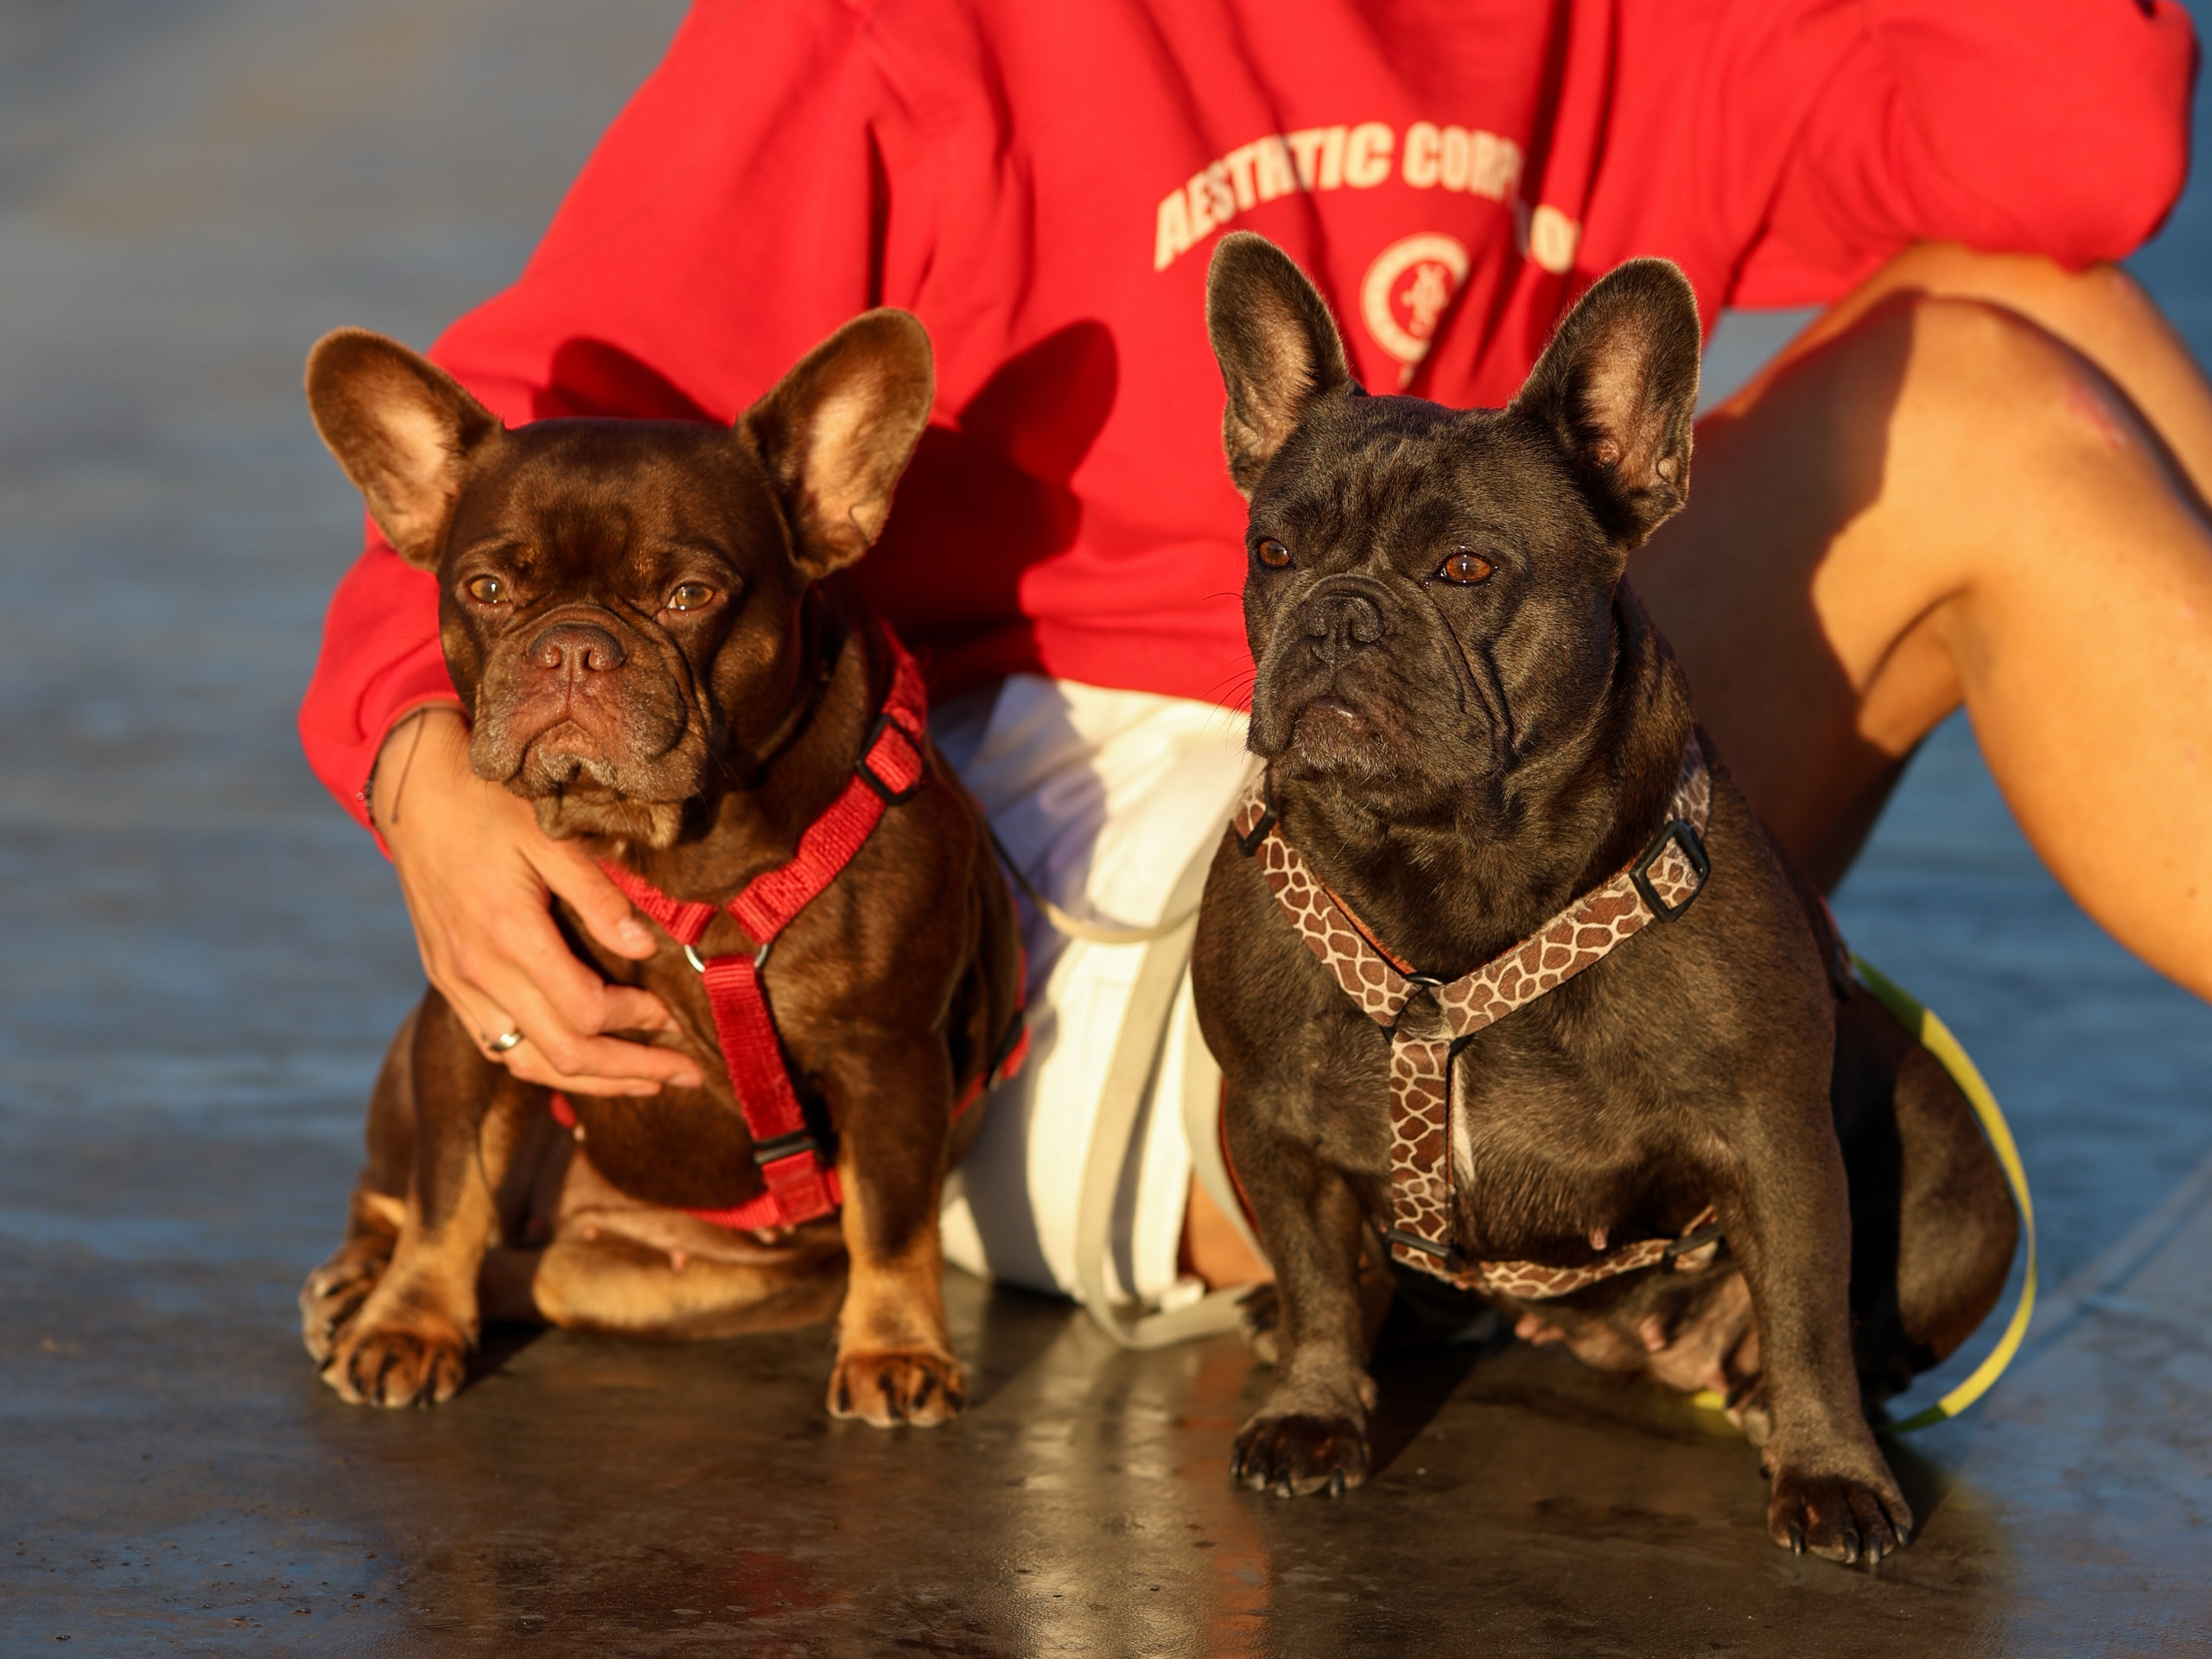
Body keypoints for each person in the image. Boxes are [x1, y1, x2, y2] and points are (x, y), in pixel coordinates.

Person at [301, 0, 2204, 1328]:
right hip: (1097, 915)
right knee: (1968, 409)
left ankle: (1564, 1204)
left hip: (1467, 783)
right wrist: (421, 765)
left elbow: (2073, 150)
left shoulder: (1637, 21)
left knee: (2045, 311)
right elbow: (547, 438)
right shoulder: (906, 22)